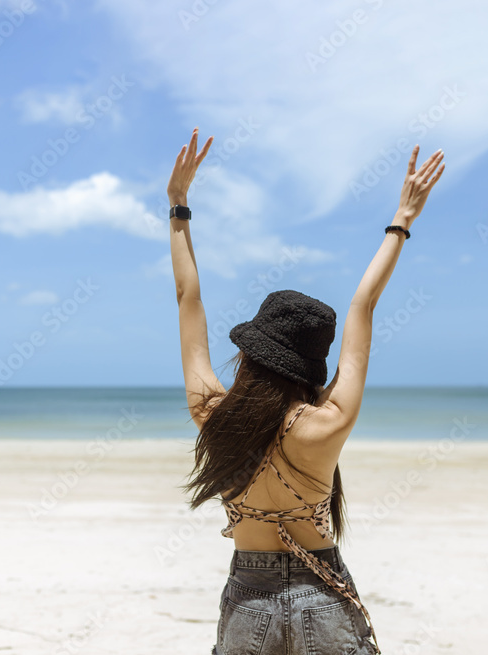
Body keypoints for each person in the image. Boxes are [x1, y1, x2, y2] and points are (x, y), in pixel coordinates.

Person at [166, 127, 444, 654]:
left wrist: (179, 207)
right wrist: (401, 221)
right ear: (311, 368)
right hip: (324, 594)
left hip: (249, 597)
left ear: (249, 354)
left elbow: (187, 298)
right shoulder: (328, 420)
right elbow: (363, 306)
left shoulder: (213, 413)